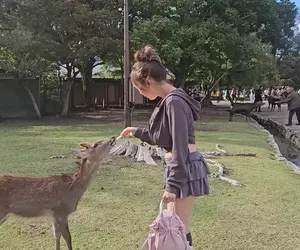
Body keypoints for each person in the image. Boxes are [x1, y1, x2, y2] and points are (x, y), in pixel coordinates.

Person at [119, 46, 210, 247]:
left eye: (140, 89)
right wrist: (136, 131)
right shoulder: (168, 100)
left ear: (149, 82)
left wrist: (172, 184)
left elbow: (180, 146)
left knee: (178, 228)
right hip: (178, 165)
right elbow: (161, 137)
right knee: (172, 226)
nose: (140, 93)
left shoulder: (174, 102)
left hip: (184, 167)